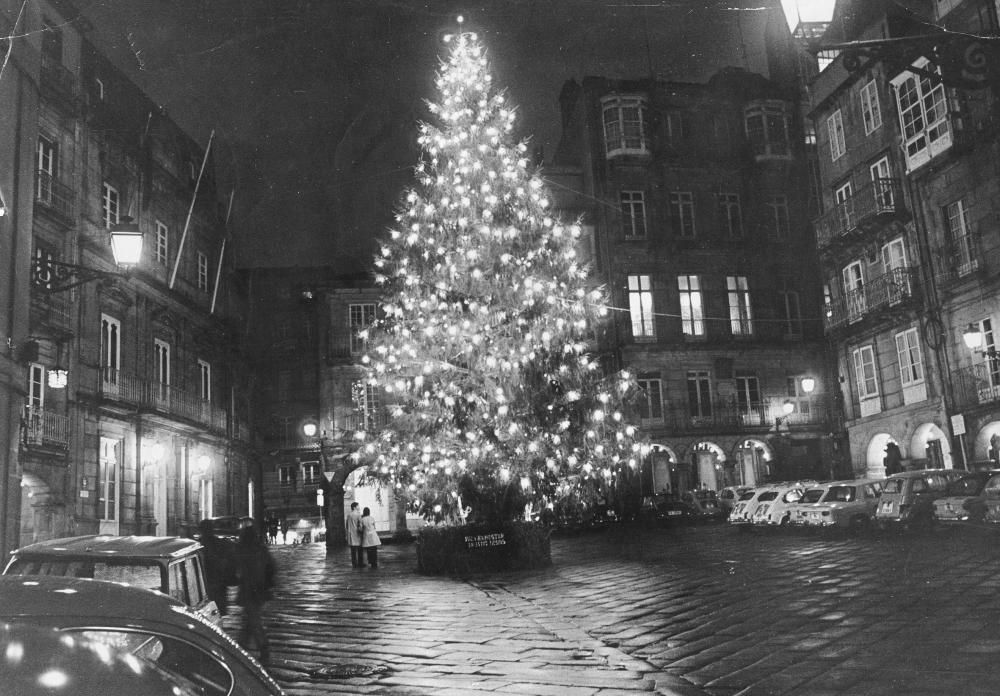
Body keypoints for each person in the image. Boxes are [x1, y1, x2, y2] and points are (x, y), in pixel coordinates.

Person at [234, 526, 275, 664]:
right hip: (259, 591)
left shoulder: (244, 551)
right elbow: (272, 568)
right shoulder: (261, 550)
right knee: (249, 620)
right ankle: (241, 647)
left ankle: (260, 648)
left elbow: (240, 571)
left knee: (253, 621)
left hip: (251, 591)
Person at [197, 519, 235, 616]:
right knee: (218, 612)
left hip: (205, 585)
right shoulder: (221, 543)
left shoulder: (197, 545)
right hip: (218, 583)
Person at [346, 502, 364, 567]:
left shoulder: (349, 515)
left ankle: (354, 563)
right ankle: (360, 563)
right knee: (360, 549)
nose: (359, 507)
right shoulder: (358, 514)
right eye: (358, 506)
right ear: (354, 507)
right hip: (357, 534)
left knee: (353, 550)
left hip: (351, 534)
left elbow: (347, 525)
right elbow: (361, 524)